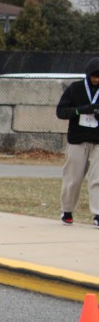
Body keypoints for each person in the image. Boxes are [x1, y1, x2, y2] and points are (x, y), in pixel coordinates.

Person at [56, 57, 99, 226]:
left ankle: (97, 214)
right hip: (77, 140)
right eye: (94, 76)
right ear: (88, 75)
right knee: (73, 178)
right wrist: (80, 110)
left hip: (98, 141)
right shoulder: (75, 89)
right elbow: (61, 112)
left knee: (97, 179)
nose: (97, 79)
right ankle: (67, 210)